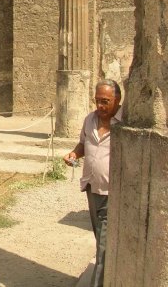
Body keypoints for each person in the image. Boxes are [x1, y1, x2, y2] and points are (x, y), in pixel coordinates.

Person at [63, 79, 122, 287]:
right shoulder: (90, 119)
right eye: (97, 101)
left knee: (104, 247)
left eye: (105, 101)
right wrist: (73, 154)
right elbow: (83, 143)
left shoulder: (125, 123)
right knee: (100, 240)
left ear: (117, 101)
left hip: (113, 192)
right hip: (92, 188)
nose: (100, 106)